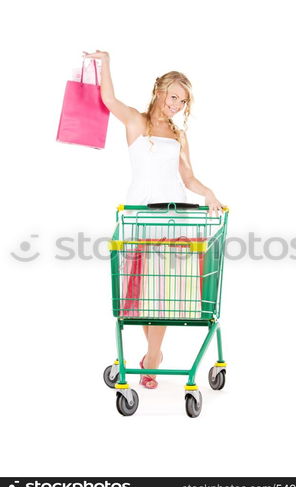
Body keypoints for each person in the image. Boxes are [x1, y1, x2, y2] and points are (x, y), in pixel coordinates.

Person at [84, 50, 225, 389]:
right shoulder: (136, 121)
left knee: (162, 294)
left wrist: (209, 194)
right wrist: (106, 61)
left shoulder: (179, 136)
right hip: (140, 214)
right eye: (173, 96)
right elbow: (107, 98)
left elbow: (189, 179)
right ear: (159, 91)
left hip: (173, 217)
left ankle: (151, 357)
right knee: (142, 293)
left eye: (183, 101)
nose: (176, 104)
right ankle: (154, 356)